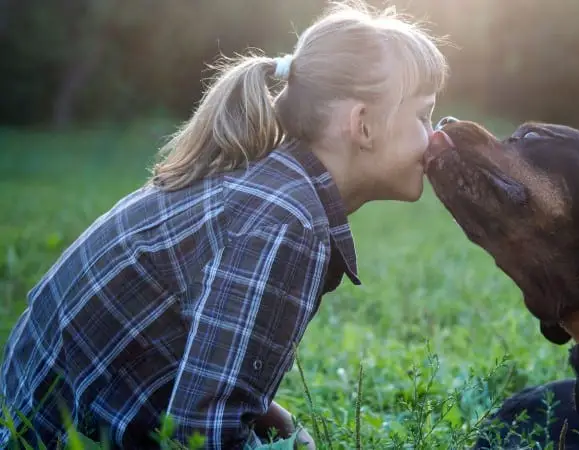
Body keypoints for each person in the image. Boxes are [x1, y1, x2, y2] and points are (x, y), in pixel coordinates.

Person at [0, 1, 449, 448]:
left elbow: (210, 361)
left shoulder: (272, 188)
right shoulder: (283, 221)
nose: (435, 137)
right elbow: (206, 432)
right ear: (363, 126)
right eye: (423, 115)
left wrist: (287, 430)